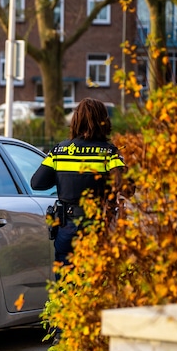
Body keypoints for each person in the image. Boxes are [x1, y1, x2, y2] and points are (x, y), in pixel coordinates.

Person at [30, 98, 129, 269]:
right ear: (103, 121)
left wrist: (63, 176)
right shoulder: (108, 152)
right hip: (97, 227)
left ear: (75, 120)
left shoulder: (59, 151)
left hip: (67, 226)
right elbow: (126, 189)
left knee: (66, 283)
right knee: (97, 282)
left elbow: (37, 183)